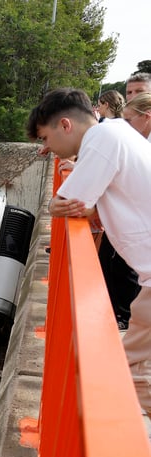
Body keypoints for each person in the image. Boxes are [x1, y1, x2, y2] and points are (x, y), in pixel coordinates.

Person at [28, 87, 151, 415]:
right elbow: (84, 202)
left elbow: (67, 203)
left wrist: (58, 201)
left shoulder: (101, 141)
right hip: (147, 282)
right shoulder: (116, 131)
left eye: (45, 138)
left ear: (64, 125)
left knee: (128, 375)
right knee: (134, 371)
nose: (48, 149)